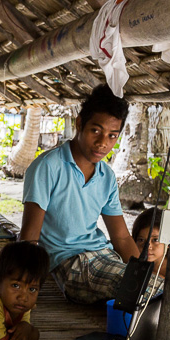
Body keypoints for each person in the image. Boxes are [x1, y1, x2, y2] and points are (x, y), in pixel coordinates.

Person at [19, 84, 140, 304]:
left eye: (112, 136)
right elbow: (30, 238)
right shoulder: (48, 166)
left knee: (153, 286)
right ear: (79, 123)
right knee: (136, 290)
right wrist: (25, 288)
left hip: (104, 255)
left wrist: (143, 272)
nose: (103, 143)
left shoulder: (106, 176)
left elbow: (121, 237)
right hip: (69, 263)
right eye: (96, 131)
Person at [131, 207, 169, 278]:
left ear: (168, 242)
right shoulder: (133, 263)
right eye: (141, 240)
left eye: (155, 240)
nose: (148, 246)